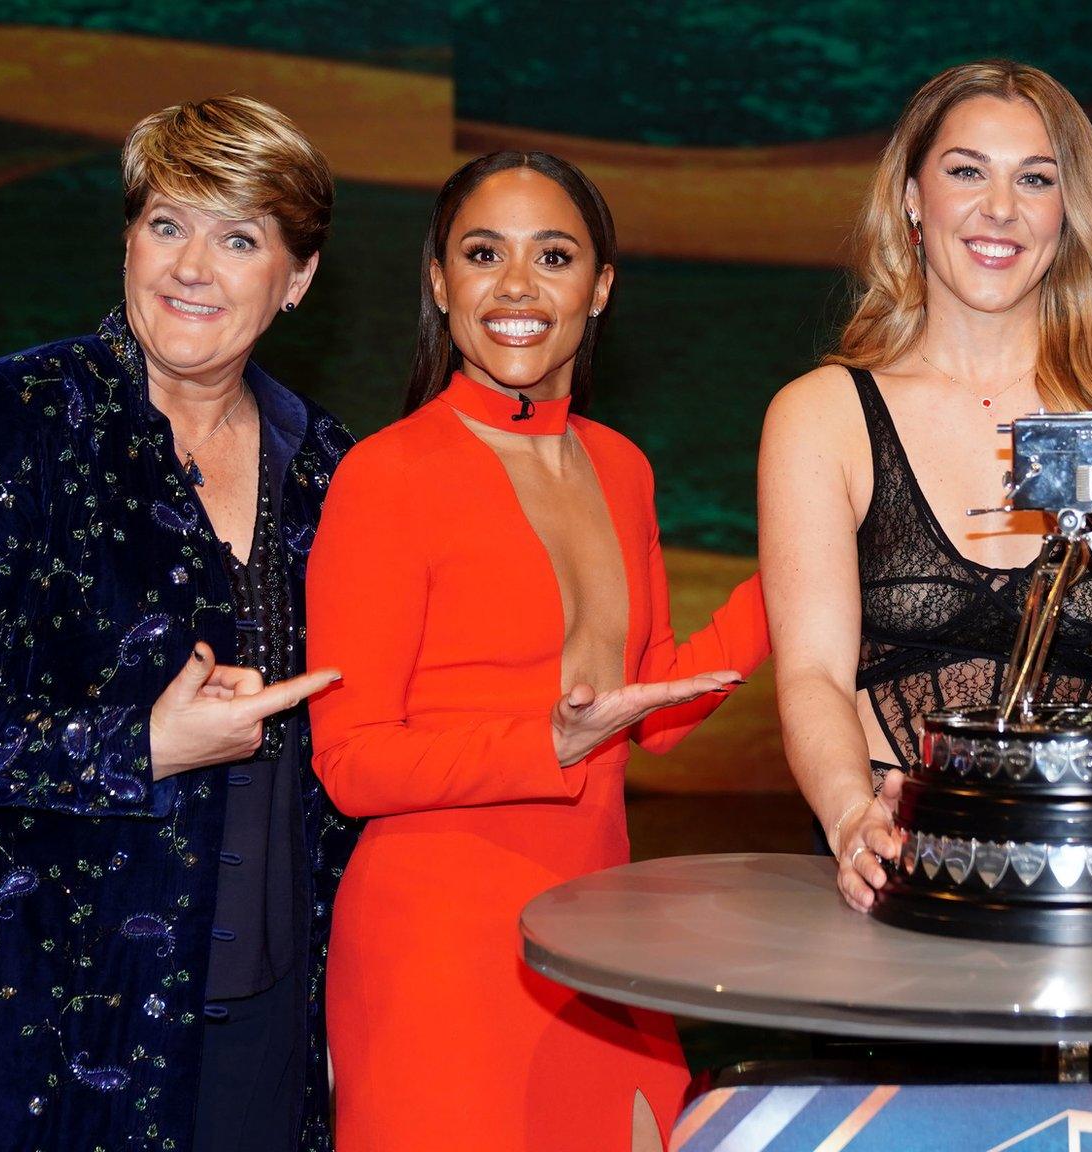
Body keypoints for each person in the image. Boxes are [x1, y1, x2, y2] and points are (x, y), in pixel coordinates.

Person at [306, 151, 767, 1152]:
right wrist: (541, 745)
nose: (516, 287)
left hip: (599, 939)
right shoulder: (384, 478)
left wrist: (798, 577)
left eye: (552, 256)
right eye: (483, 253)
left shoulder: (622, 466)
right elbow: (348, 763)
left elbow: (653, 714)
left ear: (598, 288)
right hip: (437, 949)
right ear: (440, 280)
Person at [759, 59, 1092, 913]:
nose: (999, 209)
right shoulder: (819, 417)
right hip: (899, 865)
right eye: (967, 171)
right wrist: (852, 814)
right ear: (911, 195)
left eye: (1034, 179)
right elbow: (812, 672)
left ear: (1068, 211)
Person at [0, 96, 352, 1151]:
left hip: (271, 1018)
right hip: (51, 1021)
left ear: (297, 278)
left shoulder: (329, 465)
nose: (192, 267)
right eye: (166, 224)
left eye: (238, 237)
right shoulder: (12, 423)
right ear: (127, 241)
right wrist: (135, 747)